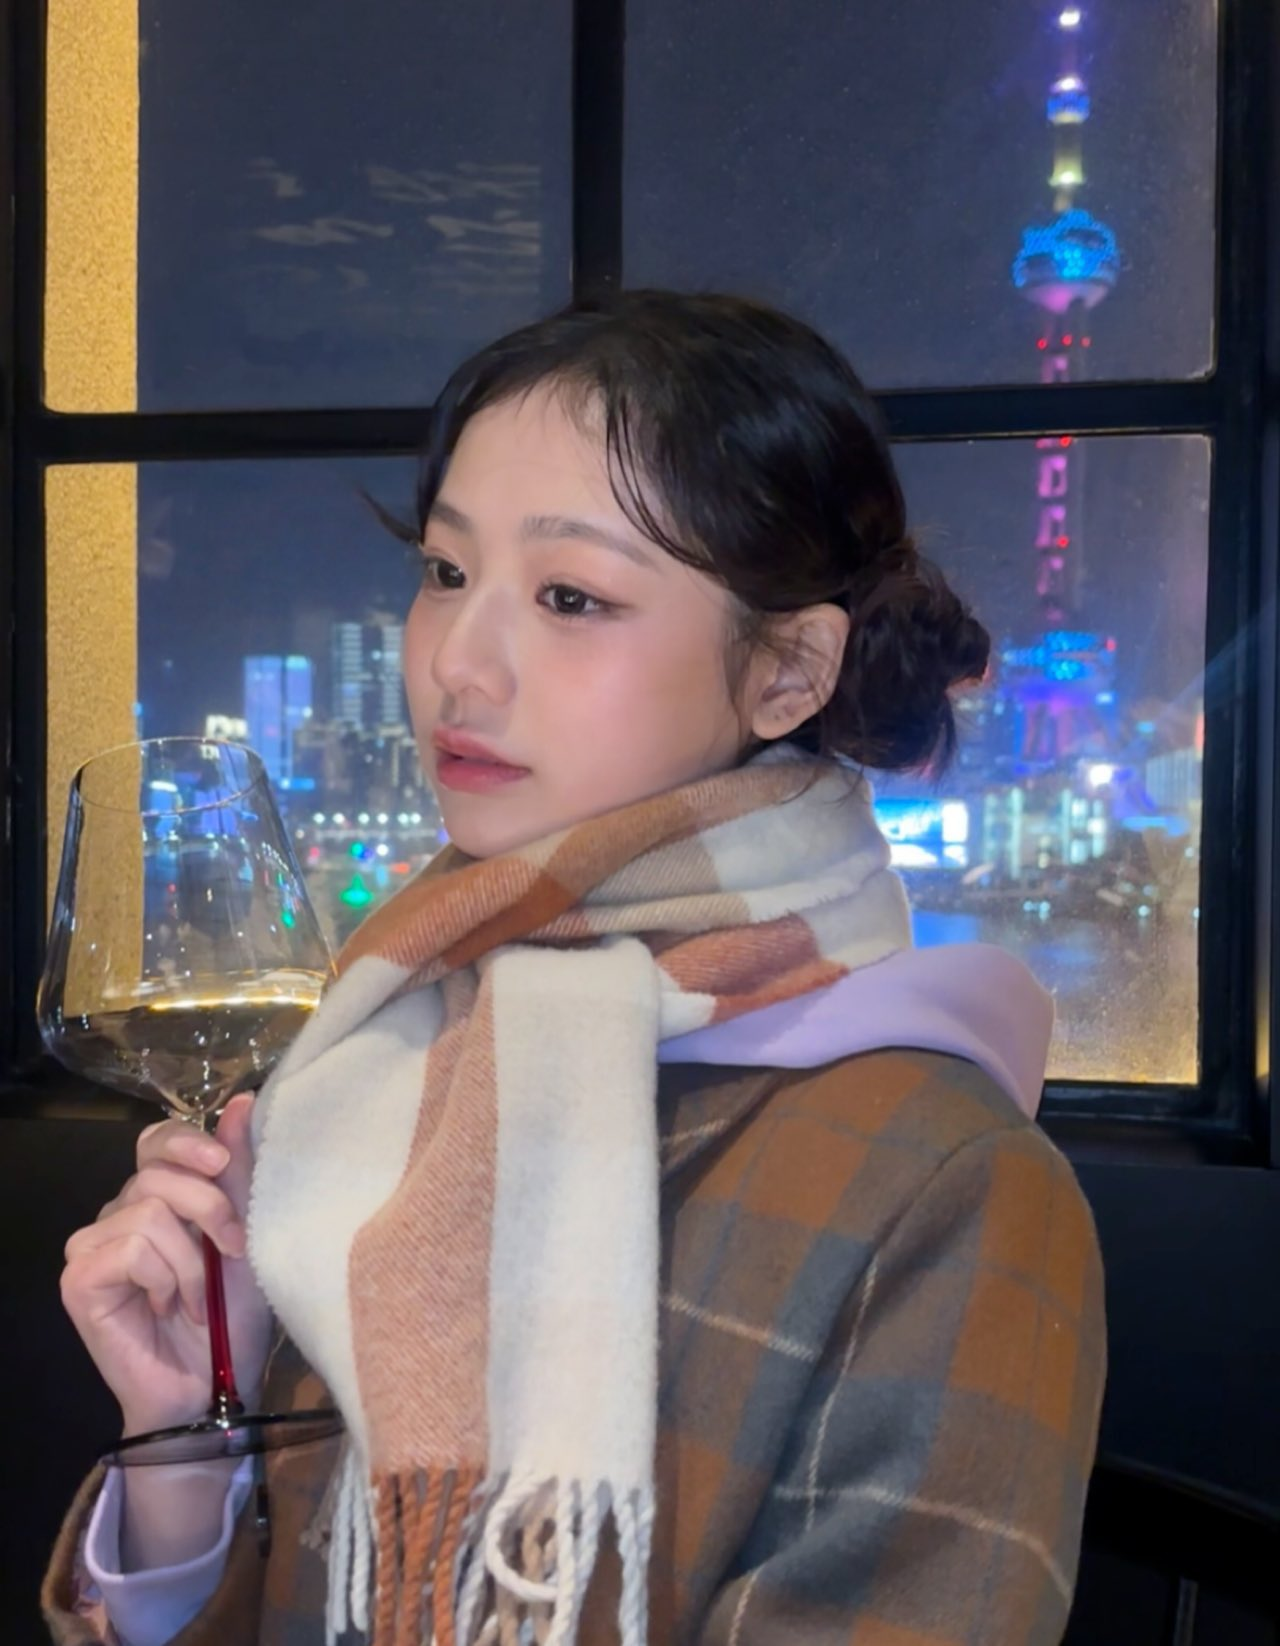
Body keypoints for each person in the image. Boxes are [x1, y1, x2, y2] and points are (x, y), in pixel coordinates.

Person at [44, 290, 1105, 1646]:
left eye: (569, 596)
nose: (457, 665)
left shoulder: (947, 1188)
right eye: (445, 572)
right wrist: (188, 1433)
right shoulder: (377, 1057)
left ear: (787, 671)